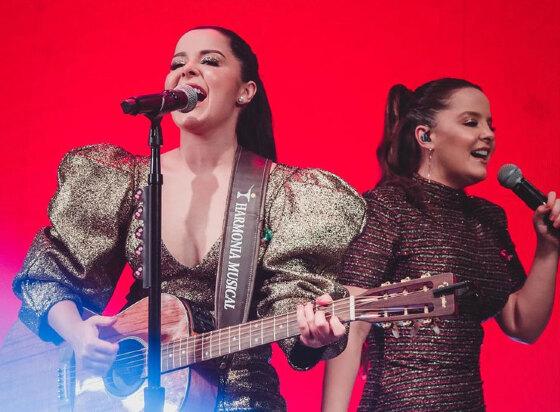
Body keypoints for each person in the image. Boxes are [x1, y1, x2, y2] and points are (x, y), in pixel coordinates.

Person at [12, 26, 365, 411]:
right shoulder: (129, 179)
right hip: (133, 394)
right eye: (177, 63)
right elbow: (52, 273)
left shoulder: (284, 192)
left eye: (209, 61)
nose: (187, 71)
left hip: (241, 395)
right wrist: (79, 335)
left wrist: (311, 332)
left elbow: (291, 299)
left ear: (245, 91)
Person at [322, 78, 560, 411]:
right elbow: (351, 320)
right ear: (426, 136)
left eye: (490, 125)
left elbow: (522, 322)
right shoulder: (390, 205)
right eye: (471, 122)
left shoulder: (488, 219)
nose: (488, 135)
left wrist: (549, 248)